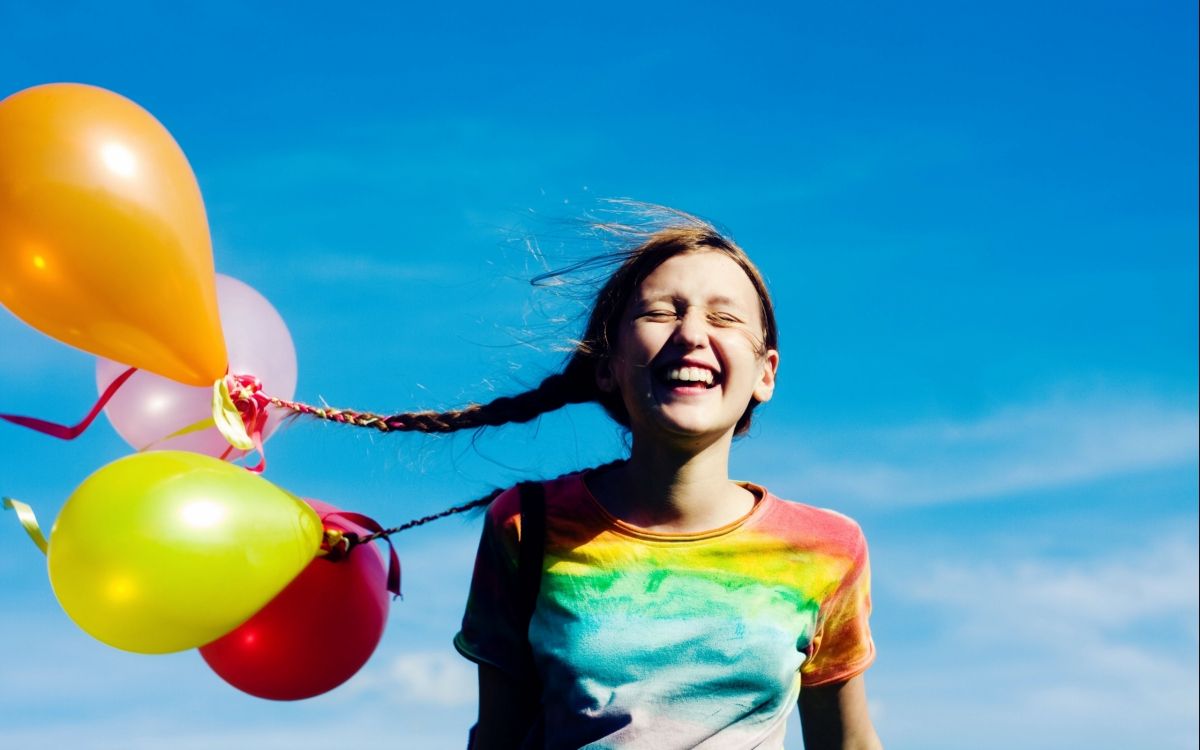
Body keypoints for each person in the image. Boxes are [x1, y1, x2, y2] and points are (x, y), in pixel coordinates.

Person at [295, 208, 880, 748]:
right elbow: (498, 735)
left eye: (724, 317)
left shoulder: (826, 548)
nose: (693, 333)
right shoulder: (529, 524)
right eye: (660, 312)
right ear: (607, 368)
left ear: (765, 373)